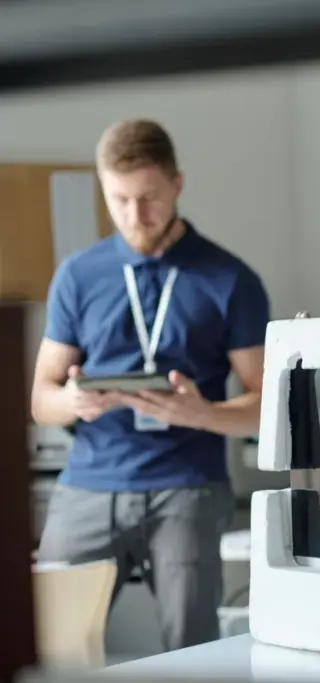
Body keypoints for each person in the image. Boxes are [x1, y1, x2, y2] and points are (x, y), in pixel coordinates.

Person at [31, 119, 270, 650]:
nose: (135, 216)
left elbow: (266, 407)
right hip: (89, 486)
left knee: (192, 650)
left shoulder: (230, 280)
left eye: (149, 198)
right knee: (48, 643)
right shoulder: (77, 275)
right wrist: (73, 400)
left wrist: (201, 413)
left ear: (177, 184)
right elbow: (41, 401)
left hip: (187, 487)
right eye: (119, 200)